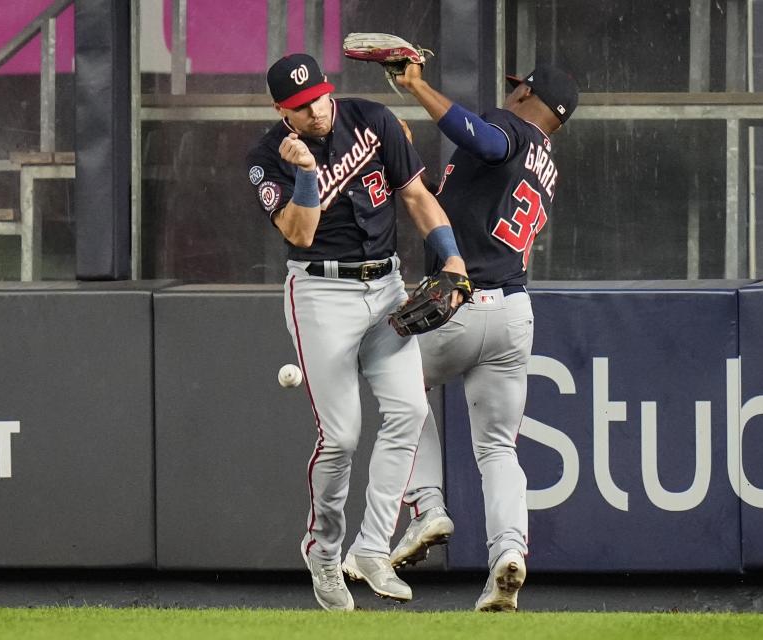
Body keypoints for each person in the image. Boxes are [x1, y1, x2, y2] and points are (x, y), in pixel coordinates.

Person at [246, 53, 468, 612]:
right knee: (342, 437)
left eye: (319, 96)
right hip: (321, 293)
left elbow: (417, 196)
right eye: (301, 105)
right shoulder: (267, 157)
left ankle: (371, 547)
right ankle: (323, 550)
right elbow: (299, 233)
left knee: (410, 412)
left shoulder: (373, 120)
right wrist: (302, 173)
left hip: (387, 285)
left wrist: (453, 261)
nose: (316, 109)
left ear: (329, 89)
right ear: (282, 110)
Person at [389, 62, 579, 612]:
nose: (512, 90)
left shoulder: (510, 130)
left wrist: (417, 87)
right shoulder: (547, 166)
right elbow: (458, 199)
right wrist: (407, 159)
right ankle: (509, 555)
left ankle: (427, 506)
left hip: (463, 302)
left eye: (519, 85)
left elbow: (484, 138)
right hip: (514, 312)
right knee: (497, 447)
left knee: (393, 386)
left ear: (529, 93)